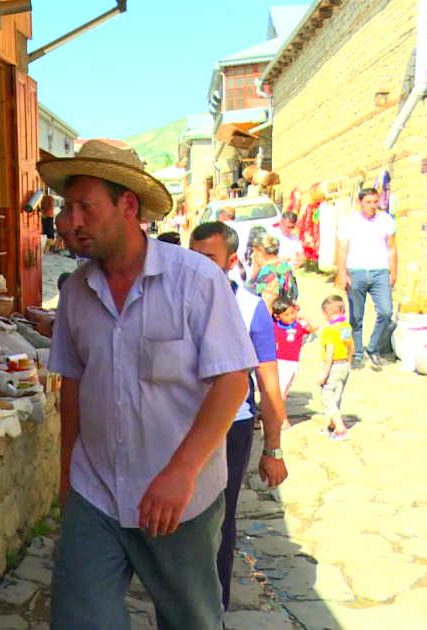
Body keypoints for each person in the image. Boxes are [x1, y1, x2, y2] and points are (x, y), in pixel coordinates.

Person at [38, 139, 258, 630]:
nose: (71, 221)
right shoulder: (75, 293)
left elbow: (232, 381)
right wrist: (67, 477)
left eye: (85, 206)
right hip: (95, 493)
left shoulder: (195, 280)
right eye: (67, 208)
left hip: (180, 500)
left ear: (128, 206)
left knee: (190, 622)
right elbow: (73, 385)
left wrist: (181, 472)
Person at [189, 221, 289, 611]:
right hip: (178, 422)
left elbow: (268, 384)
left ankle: (215, 608)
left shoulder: (250, 308)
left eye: (208, 258)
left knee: (220, 516)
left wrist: (273, 449)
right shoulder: (173, 298)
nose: (198, 265)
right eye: (192, 256)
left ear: (231, 262)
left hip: (232, 428)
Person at [334, 188, 397, 372]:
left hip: (380, 272)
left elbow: (392, 247)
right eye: (368, 202)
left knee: (386, 311)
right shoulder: (349, 222)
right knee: (356, 316)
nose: (372, 206)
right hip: (356, 272)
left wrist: (393, 272)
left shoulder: (385, 220)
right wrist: (342, 272)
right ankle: (357, 354)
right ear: (359, 203)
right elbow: (342, 249)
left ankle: (373, 348)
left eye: (375, 202)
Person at [319, 295, 354, 439]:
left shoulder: (329, 330)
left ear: (326, 311)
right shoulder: (346, 327)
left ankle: (340, 429)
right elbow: (351, 346)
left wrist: (324, 373)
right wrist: (349, 362)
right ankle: (332, 425)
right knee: (337, 396)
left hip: (334, 366)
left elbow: (330, 353)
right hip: (344, 364)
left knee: (327, 398)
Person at [271, 296, 318, 401]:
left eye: (292, 312)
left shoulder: (299, 326)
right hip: (276, 361)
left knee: (282, 390)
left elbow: (314, 327)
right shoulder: (274, 326)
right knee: (273, 388)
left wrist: (305, 318)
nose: (291, 316)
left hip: (290, 364)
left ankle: (278, 409)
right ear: (277, 316)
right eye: (286, 314)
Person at [247, 234, 298, 313]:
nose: (252, 256)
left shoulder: (267, 272)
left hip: (268, 317)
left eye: (254, 251)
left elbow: (267, 307)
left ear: (260, 251)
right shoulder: (286, 267)